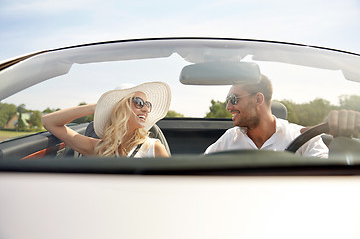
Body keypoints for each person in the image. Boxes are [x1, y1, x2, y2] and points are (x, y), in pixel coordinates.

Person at [205, 75, 360, 157]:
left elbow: (327, 183)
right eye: (227, 101)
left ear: (258, 99)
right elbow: (203, 171)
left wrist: (343, 142)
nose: (228, 107)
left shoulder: (305, 138)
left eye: (233, 99)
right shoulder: (229, 138)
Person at [42, 81, 171, 157]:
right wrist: (100, 107)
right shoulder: (99, 148)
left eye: (147, 104)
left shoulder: (155, 148)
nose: (145, 109)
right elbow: (49, 122)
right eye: (138, 102)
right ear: (119, 107)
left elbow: (170, 189)